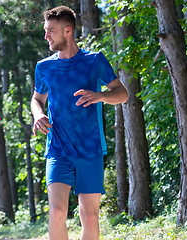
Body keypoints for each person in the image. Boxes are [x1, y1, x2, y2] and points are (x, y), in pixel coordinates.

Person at [31, 6, 129, 240]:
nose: (46, 36)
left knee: (90, 216)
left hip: (90, 149)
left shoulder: (94, 60)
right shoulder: (44, 67)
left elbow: (122, 93)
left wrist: (101, 96)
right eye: (46, 31)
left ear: (67, 30)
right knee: (56, 212)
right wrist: (38, 114)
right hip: (58, 150)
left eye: (50, 31)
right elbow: (37, 99)